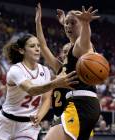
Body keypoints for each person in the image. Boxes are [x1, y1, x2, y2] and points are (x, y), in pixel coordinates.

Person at [0, 33, 78, 140]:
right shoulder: (16, 70)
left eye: (38, 46)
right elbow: (31, 90)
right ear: (22, 50)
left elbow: (46, 99)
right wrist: (55, 83)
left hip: (28, 126)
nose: (37, 49)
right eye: (32, 46)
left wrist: (39, 116)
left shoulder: (45, 71)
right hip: (6, 123)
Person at [35, 3, 101, 140]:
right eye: (67, 24)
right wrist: (38, 22)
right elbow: (44, 47)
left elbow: (84, 40)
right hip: (80, 106)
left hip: (80, 105)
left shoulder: (81, 46)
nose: (68, 26)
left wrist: (85, 24)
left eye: (73, 23)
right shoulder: (63, 65)